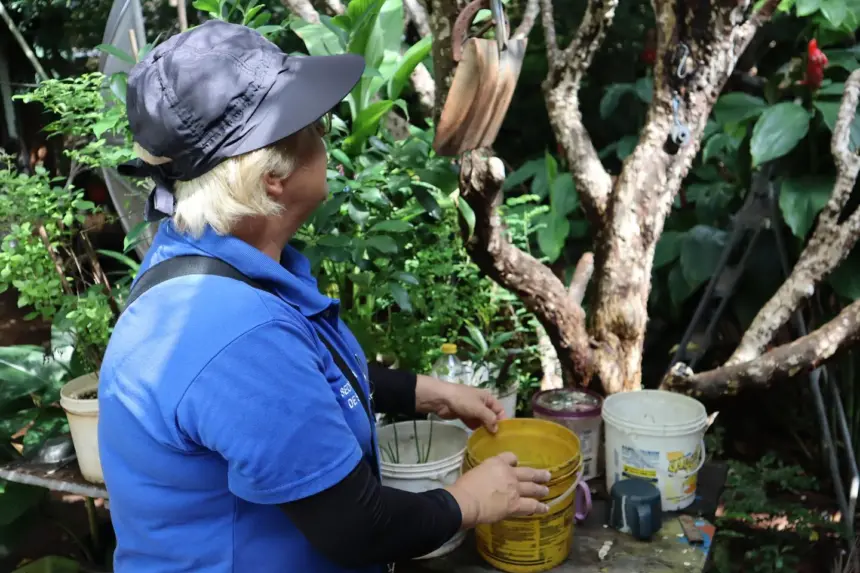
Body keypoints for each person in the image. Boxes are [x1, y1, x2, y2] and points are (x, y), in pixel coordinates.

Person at [98, 19, 552, 573]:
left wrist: (422, 391)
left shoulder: (199, 268)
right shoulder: (237, 333)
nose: (326, 139)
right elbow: (357, 528)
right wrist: (471, 500)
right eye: (315, 126)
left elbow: (299, 386)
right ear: (273, 177)